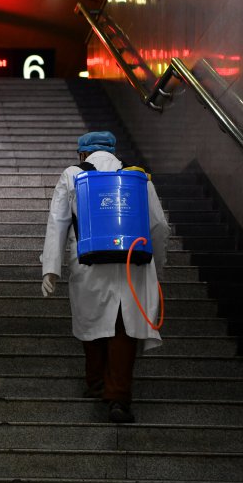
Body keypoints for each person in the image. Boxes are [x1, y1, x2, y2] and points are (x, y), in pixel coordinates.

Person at [40, 131, 169, 423]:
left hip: (89, 263)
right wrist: (156, 268)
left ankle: (96, 383)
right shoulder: (136, 177)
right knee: (124, 328)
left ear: (82, 154)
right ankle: (118, 399)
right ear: (114, 151)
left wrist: (51, 268)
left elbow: (57, 222)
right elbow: (159, 226)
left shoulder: (73, 174)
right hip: (133, 264)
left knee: (93, 322)